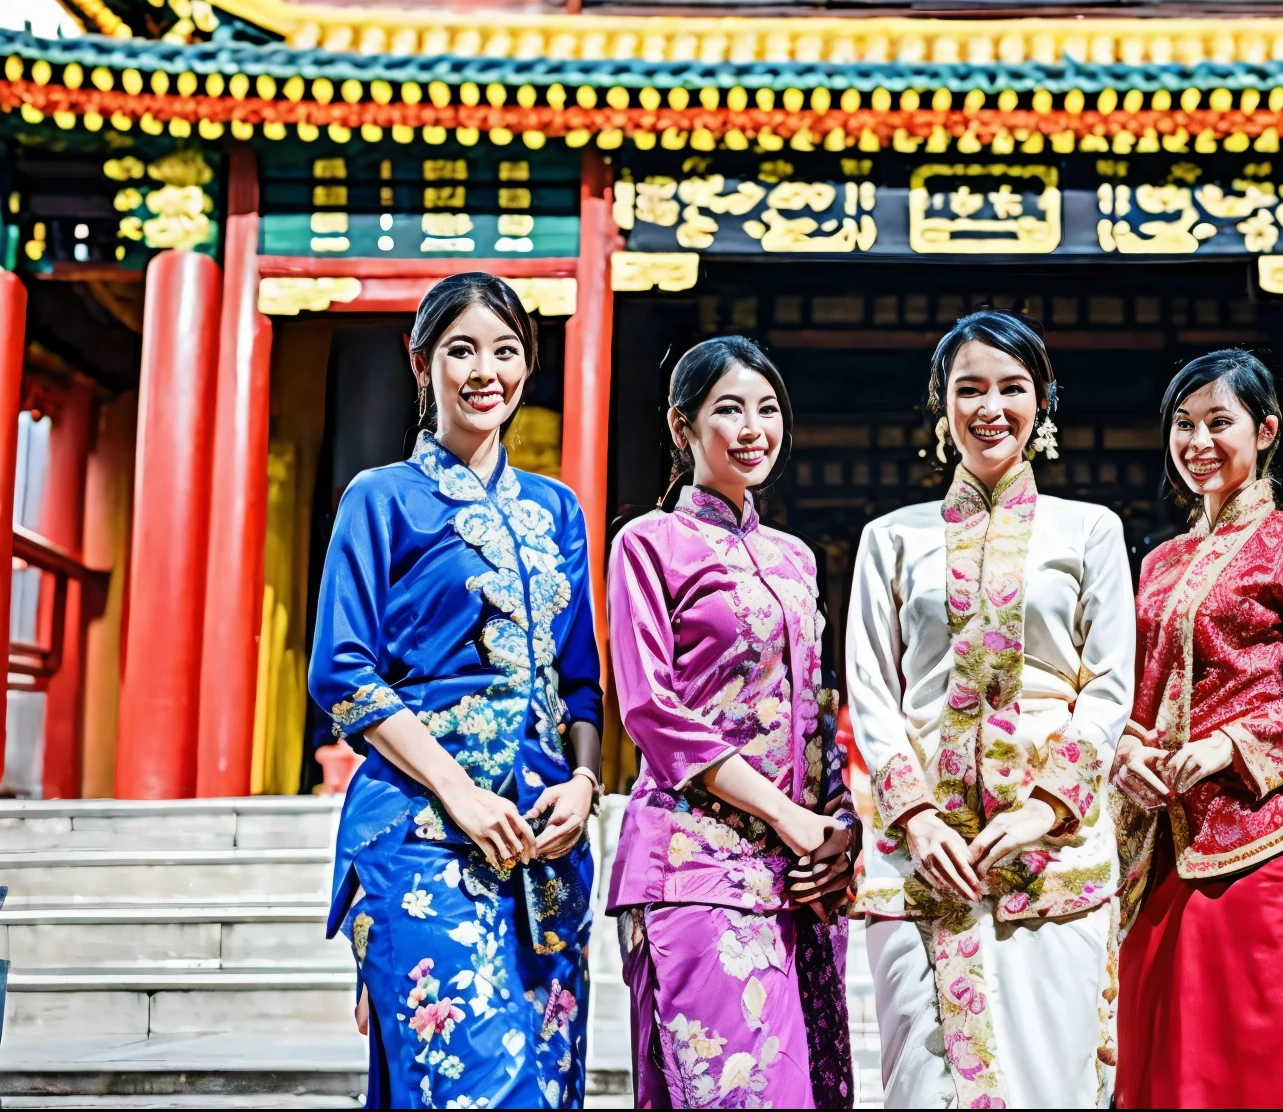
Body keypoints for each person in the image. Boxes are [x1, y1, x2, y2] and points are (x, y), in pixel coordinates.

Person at [310, 273, 603, 1110]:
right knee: (476, 1086)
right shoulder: (379, 499)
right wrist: (460, 793)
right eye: (462, 350)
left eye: (506, 352)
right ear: (421, 362)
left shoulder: (558, 510)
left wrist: (585, 785)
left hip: (545, 844)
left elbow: (581, 680)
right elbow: (341, 669)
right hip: (420, 832)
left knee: (546, 1085)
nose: (486, 372)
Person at [845, 309, 1135, 1109]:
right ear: (942, 404)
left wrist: (1045, 808)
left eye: (1011, 388)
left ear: (1041, 403)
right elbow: (872, 689)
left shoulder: (1091, 532)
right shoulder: (891, 539)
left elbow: (1110, 686)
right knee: (920, 1083)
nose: (989, 408)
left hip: (1052, 855)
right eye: (969, 389)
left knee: (1054, 1077)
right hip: (922, 855)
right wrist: (918, 816)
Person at [606, 337, 856, 1109]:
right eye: (729, 410)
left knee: (813, 1090)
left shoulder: (794, 559)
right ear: (682, 427)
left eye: (768, 409)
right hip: (696, 863)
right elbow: (652, 709)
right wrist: (787, 815)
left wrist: (837, 824)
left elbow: (817, 709)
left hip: (800, 875)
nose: (754, 428)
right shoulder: (647, 544)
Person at [1112, 349, 1283, 1109]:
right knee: (1158, 1057)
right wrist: (1126, 746)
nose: (1197, 442)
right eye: (1182, 426)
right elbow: (1137, 689)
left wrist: (1229, 745)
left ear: (1266, 430)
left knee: (1256, 1054)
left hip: (1270, 834)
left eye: (1219, 423)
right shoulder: (1160, 560)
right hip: (1163, 838)